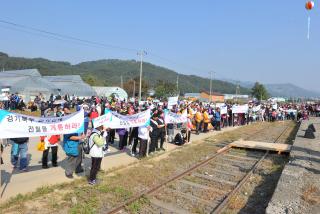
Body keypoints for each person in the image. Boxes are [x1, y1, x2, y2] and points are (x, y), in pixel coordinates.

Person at [63, 108, 86, 179]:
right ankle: (68, 173)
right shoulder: (67, 126)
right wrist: (80, 137)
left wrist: (82, 134)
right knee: (72, 159)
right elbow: (70, 137)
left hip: (79, 143)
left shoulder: (77, 124)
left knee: (79, 157)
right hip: (72, 145)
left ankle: (78, 169)